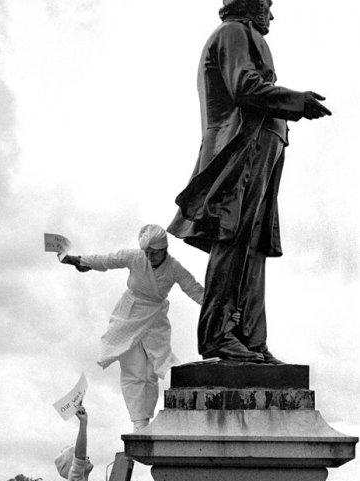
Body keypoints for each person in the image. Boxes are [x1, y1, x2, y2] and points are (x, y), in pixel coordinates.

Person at [168, 0, 331, 363]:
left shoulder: (245, 34)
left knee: (254, 246)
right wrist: (294, 101)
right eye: (268, 6)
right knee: (233, 237)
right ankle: (218, 336)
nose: (271, 15)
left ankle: (252, 340)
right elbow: (244, 87)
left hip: (261, 151)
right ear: (252, 5)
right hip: (242, 153)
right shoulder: (234, 32)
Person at [61, 224, 204, 431]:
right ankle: (139, 421)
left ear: (164, 249)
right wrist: (79, 260)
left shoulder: (174, 269)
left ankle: (147, 417)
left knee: (152, 372)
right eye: (147, 252)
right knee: (134, 369)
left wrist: (221, 309)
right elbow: (108, 260)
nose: (150, 257)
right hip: (129, 316)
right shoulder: (135, 257)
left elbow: (195, 290)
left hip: (155, 319)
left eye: (154, 253)